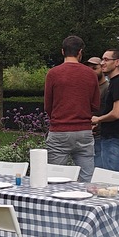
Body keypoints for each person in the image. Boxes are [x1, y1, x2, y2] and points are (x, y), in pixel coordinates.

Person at [44, 34, 100, 182]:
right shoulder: (91, 74)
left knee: (53, 179)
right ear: (80, 52)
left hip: (59, 131)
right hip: (83, 131)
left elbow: (48, 105)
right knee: (86, 178)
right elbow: (95, 105)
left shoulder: (53, 74)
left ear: (63, 51)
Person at [91, 48, 119, 173]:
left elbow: (116, 113)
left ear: (117, 62)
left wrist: (98, 119)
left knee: (110, 178)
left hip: (113, 138)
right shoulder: (115, 82)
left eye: (106, 59)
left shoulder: (118, 83)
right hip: (110, 137)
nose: (102, 63)